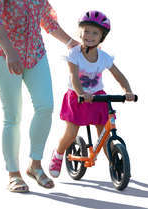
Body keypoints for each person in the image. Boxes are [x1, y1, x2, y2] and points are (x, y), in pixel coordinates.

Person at [0, 0, 79, 193]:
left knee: (45, 106)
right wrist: (10, 52)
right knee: (12, 116)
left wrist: (70, 41)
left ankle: (35, 165)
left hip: (35, 52)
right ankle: (14, 173)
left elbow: (46, 18)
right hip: (5, 55)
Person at [48, 10, 136, 178]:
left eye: (95, 33)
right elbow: (74, 76)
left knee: (104, 133)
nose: (89, 35)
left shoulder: (103, 57)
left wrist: (127, 91)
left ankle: (115, 164)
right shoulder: (74, 54)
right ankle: (58, 154)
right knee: (72, 132)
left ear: (101, 37)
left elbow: (118, 75)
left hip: (98, 97)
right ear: (80, 32)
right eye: (86, 31)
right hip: (77, 97)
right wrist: (81, 93)